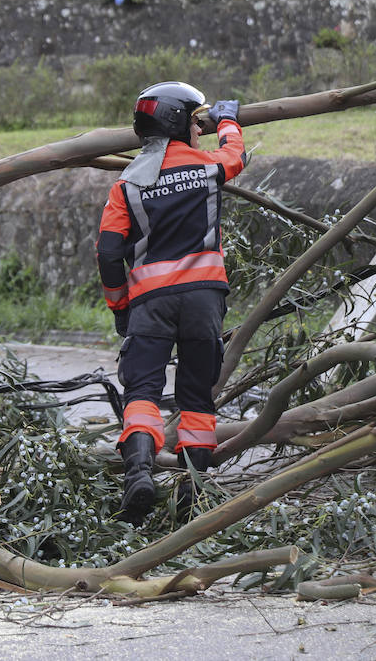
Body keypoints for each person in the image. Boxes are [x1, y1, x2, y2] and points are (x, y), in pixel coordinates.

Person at [96, 82, 245, 524]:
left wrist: (120, 306)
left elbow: (107, 252)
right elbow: (235, 156)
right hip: (204, 299)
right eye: (196, 124)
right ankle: (192, 495)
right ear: (180, 124)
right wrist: (228, 122)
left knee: (141, 392)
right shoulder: (206, 166)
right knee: (197, 397)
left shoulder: (125, 186)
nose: (199, 132)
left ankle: (139, 473)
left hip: (150, 303)